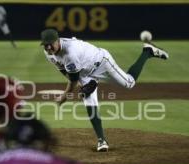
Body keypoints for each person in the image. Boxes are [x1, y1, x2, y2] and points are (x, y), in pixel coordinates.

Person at [40, 29, 169, 152]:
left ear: (57, 40)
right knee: (89, 101)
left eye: (50, 44)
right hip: (84, 72)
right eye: (45, 45)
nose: (48, 48)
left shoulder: (70, 53)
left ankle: (147, 52)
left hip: (101, 63)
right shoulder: (48, 53)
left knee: (129, 83)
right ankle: (102, 140)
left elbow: (73, 80)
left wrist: (65, 96)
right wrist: (83, 84)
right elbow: (64, 70)